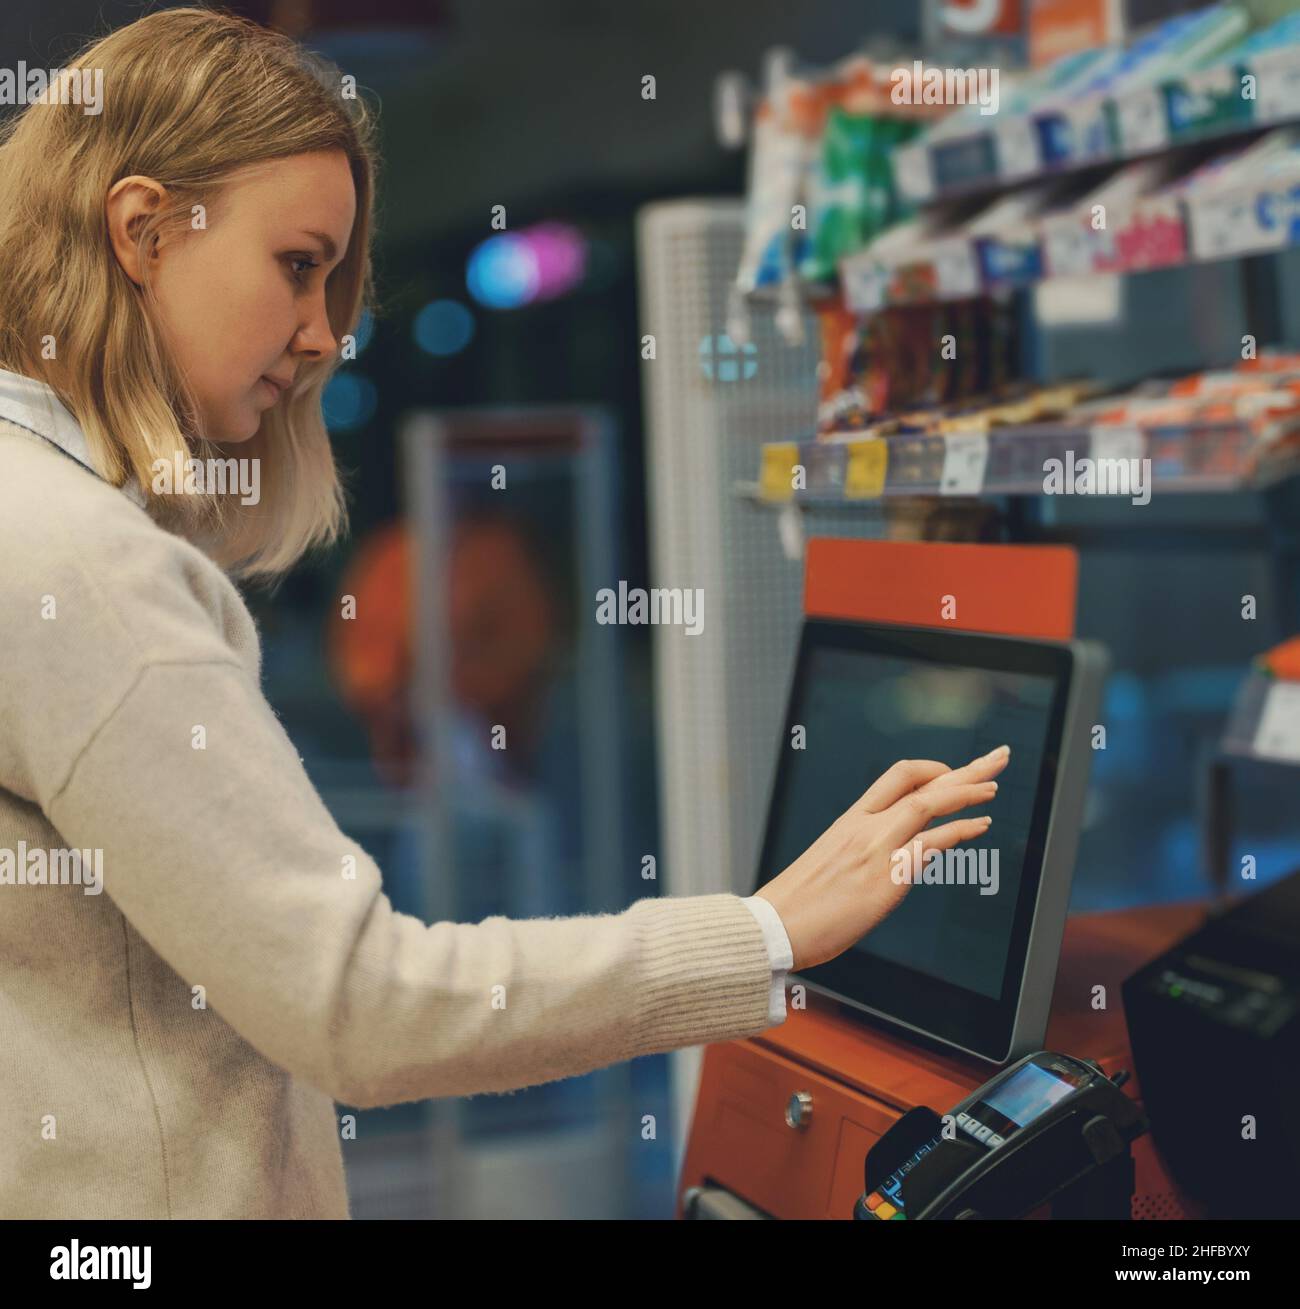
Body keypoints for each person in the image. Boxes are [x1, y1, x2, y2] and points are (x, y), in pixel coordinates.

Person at [0, 8, 1006, 1220]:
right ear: (145, 229)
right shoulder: (85, 566)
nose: (324, 335)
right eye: (299, 265)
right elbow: (360, 1003)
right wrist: (767, 933)